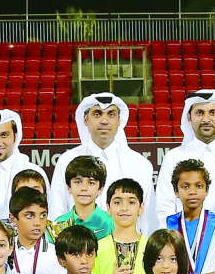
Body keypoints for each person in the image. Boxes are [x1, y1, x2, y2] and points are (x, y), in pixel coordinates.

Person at [49, 92, 158, 235]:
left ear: (119, 121)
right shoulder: (67, 160)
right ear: (85, 120)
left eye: (111, 114)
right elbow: (57, 212)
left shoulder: (140, 165)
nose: (104, 121)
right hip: (78, 251)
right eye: (97, 114)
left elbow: (149, 220)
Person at [153, 89, 215, 229]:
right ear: (189, 117)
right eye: (199, 113)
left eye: (212, 113)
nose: (206, 119)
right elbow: (164, 205)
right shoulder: (174, 157)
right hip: (183, 243)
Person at [54, 155, 115, 240]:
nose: (84, 188)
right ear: (69, 187)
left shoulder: (111, 222)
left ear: (100, 189)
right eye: (78, 182)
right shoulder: (59, 224)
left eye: (91, 183)